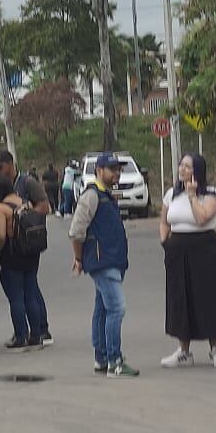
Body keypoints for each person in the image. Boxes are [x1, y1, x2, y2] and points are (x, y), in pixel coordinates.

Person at [159, 153, 216, 368]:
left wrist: (193, 195)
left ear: (197, 171)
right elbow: (164, 220)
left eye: (187, 166)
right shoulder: (171, 194)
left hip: (204, 249)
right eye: (181, 165)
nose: (182, 169)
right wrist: (165, 241)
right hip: (177, 250)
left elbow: (203, 218)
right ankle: (183, 351)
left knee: (209, 297)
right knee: (180, 298)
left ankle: (215, 350)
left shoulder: (211, 193)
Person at [69, 154, 138, 378]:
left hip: (112, 260)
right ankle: (114, 361)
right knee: (117, 309)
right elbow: (76, 230)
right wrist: (79, 259)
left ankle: (101, 358)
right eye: (111, 169)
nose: (116, 173)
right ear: (99, 170)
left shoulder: (107, 195)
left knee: (102, 309)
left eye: (118, 169)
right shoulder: (91, 196)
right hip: (102, 261)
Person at [0, 150, 52, 345]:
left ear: (11, 164)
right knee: (29, 291)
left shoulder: (27, 183)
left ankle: (26, 334)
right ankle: (36, 334)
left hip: (18, 250)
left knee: (19, 295)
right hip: (28, 252)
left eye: (0, 168)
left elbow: (44, 207)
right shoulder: (22, 200)